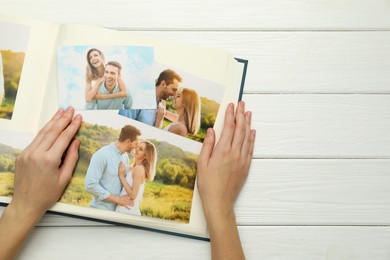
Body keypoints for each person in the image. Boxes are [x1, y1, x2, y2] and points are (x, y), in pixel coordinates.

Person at [0, 101, 255, 260]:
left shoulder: (131, 166)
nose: (137, 149)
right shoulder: (109, 157)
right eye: (137, 144)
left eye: (141, 148)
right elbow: (93, 186)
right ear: (131, 142)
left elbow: (131, 195)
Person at [84, 124, 141, 211]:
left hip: (118, 211)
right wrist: (118, 199)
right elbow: (90, 185)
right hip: (99, 210)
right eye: (136, 143)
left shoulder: (125, 158)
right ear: (128, 142)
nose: (136, 146)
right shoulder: (102, 154)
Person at [116, 140, 157, 215]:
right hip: (124, 207)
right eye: (137, 147)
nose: (137, 149)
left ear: (145, 156)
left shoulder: (139, 169)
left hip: (127, 210)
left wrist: (121, 176)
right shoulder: (132, 166)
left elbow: (133, 195)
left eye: (140, 149)